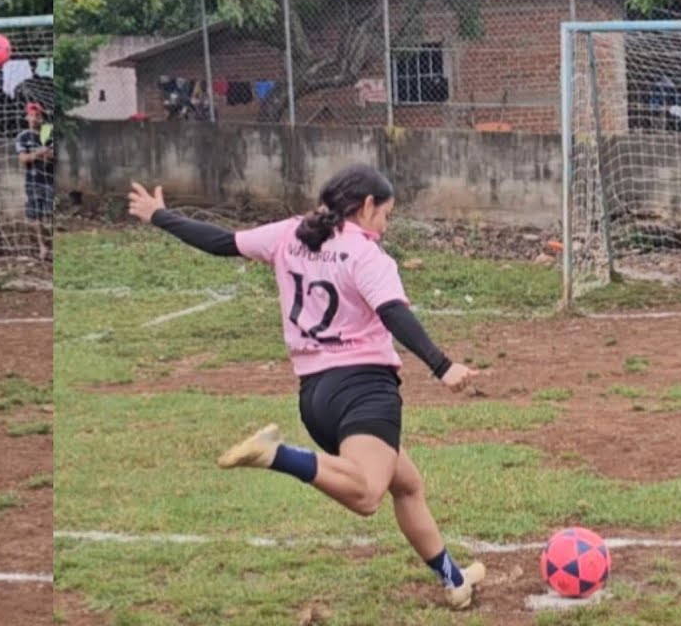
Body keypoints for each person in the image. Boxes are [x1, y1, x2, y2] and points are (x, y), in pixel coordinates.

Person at [127, 164, 487, 610]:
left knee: (407, 485)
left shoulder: (290, 233)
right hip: (364, 390)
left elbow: (221, 242)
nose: (386, 226)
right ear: (367, 205)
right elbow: (395, 313)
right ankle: (277, 454)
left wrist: (160, 215)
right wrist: (443, 366)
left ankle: (454, 580)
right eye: (386, 215)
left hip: (316, 398)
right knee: (367, 494)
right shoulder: (366, 255)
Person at [15, 102, 54, 261]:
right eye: (31, 115)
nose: (34, 118)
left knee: (51, 214)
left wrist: (45, 154)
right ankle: (42, 247)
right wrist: (40, 153)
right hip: (33, 180)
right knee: (36, 215)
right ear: (27, 117)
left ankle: (52, 245)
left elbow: (52, 155)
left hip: (50, 180)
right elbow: (23, 159)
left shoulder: (48, 133)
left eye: (37, 115)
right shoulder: (23, 136)